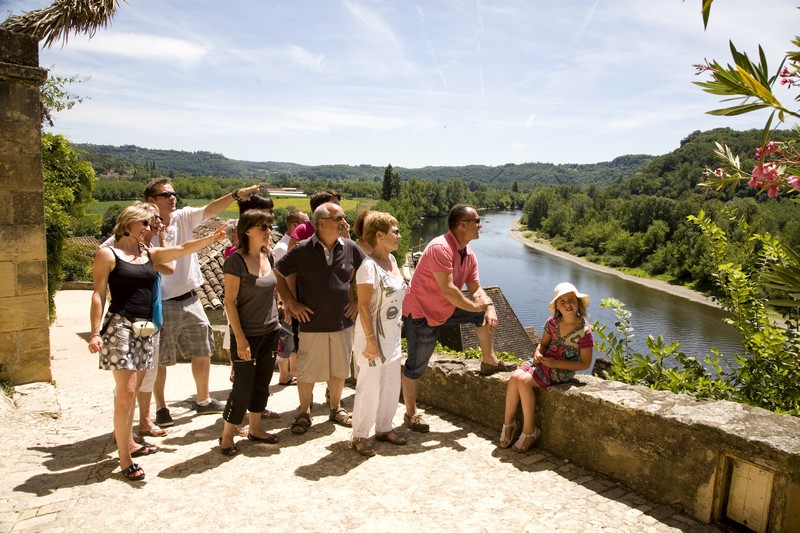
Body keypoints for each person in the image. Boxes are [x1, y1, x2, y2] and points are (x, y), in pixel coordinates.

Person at [88, 203, 225, 481]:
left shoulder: (149, 255)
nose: (151, 230)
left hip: (146, 326)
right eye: (147, 225)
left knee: (135, 388)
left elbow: (182, 250)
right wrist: (94, 332)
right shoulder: (108, 254)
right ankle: (125, 458)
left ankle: (128, 442)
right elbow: (99, 294)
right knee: (126, 391)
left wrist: (212, 240)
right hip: (121, 324)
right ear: (129, 223)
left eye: (152, 225)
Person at [145, 178, 262, 428]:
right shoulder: (144, 228)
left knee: (203, 350)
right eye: (166, 194)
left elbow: (210, 210)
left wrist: (234, 194)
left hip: (190, 297)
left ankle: (203, 399)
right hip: (161, 300)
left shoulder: (183, 217)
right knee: (160, 358)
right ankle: (162, 408)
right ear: (151, 200)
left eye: (174, 193)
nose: (172, 197)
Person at [401, 204, 517, 433]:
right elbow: (449, 289)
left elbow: (475, 288)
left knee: (482, 313)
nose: (480, 224)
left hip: (445, 308)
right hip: (422, 313)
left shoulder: (469, 254)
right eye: (476, 220)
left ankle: (488, 361)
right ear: (462, 225)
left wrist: (488, 306)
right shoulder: (439, 248)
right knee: (416, 366)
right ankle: (411, 413)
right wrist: (475, 306)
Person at [275, 202, 365, 435]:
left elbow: (367, 273)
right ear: (322, 223)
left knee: (339, 370)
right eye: (340, 218)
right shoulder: (302, 249)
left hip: (342, 323)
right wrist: (290, 302)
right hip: (310, 324)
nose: (345, 222)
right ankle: (304, 412)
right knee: (306, 372)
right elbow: (277, 272)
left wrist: (356, 301)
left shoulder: (351, 248)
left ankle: (335, 409)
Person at [101, 202, 174, 442]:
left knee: (147, 374)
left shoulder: (148, 248)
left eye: (154, 221)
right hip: (127, 319)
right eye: (149, 220)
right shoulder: (114, 247)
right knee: (126, 383)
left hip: (152, 317)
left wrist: (161, 239)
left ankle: (143, 421)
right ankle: (124, 432)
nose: (153, 225)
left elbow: (170, 268)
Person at [500, 282, 593, 452]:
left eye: (571, 300)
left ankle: (530, 431)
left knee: (524, 381)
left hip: (562, 369)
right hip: (544, 362)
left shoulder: (585, 332)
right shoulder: (552, 322)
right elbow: (543, 344)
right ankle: (509, 424)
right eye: (562, 301)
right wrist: (538, 352)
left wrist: (555, 363)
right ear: (557, 306)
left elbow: (585, 363)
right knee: (514, 377)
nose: (567, 304)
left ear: (578, 302)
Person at [218, 209, 282, 456]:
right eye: (263, 227)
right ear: (247, 231)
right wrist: (241, 339)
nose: (269, 232)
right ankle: (226, 434)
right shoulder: (235, 261)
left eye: (269, 227)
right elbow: (229, 302)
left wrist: (280, 307)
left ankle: (256, 428)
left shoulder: (270, 256)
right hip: (247, 334)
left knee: (263, 383)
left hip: (270, 332)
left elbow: (271, 291)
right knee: (242, 387)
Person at [350, 212, 408, 456]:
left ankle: (384, 427)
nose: (399, 235)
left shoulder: (393, 261)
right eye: (395, 231)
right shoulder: (368, 267)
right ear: (379, 235)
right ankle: (360, 435)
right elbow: (363, 306)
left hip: (392, 335)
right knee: (370, 387)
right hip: (371, 336)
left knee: (391, 385)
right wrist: (371, 342)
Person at [272, 209, 308, 386]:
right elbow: (281, 276)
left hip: (288, 299)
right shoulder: (282, 247)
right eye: (304, 222)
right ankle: (283, 375)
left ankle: (291, 373)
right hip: (285, 301)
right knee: (286, 338)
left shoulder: (289, 244)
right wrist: (284, 302)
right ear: (294, 225)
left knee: (290, 339)